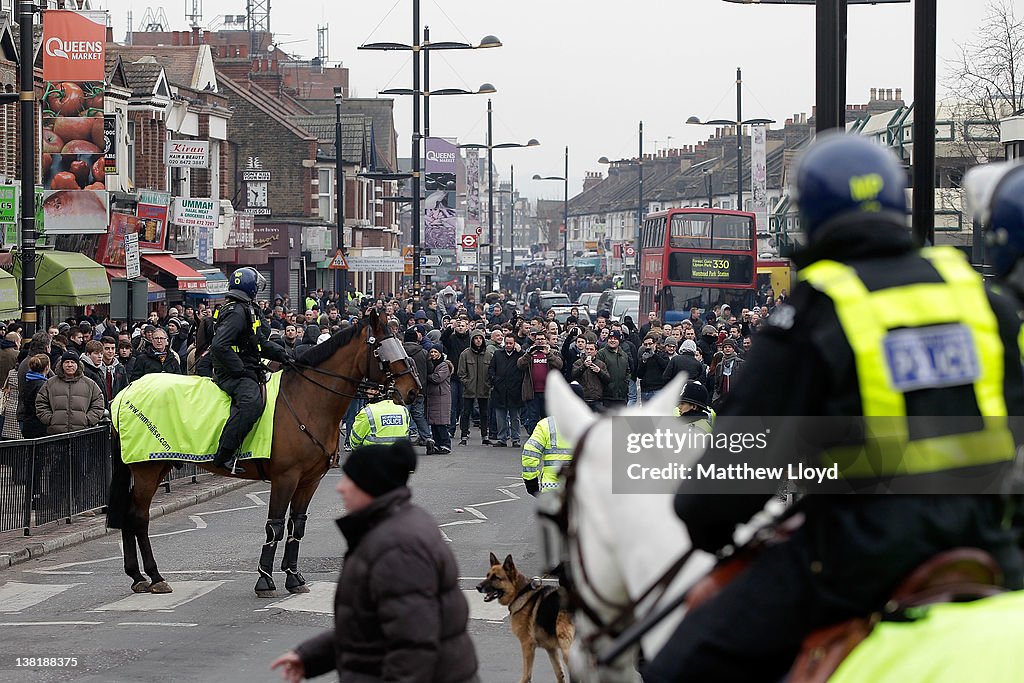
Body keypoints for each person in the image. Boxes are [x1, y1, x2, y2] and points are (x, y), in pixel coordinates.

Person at [646, 133, 1024, 683]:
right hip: (990, 546)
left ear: (809, 215)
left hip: (859, 562)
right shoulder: (977, 296)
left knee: (679, 667)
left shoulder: (817, 310)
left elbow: (730, 475)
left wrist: (707, 523)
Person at [271, 441, 479, 683]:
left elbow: (412, 647)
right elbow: (369, 628)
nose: (340, 488)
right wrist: (311, 657)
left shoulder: (398, 549)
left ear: (369, 486)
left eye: (348, 480)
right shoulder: (393, 528)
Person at [209, 267, 291, 472]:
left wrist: (283, 355)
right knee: (251, 403)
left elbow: (259, 342)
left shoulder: (247, 308)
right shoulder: (236, 311)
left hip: (246, 367)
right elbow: (220, 346)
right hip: (232, 372)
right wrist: (240, 370)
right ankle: (224, 455)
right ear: (250, 288)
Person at [521, 383, 583, 495]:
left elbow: (530, 453)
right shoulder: (592, 425)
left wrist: (531, 483)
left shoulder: (546, 425)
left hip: (552, 489)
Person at [35, 351, 105, 435]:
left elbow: (98, 403)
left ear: (78, 365)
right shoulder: (50, 383)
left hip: (82, 434)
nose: (70, 365)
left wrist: (88, 420)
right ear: (62, 364)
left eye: (73, 362)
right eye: (66, 362)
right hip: (55, 435)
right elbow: (40, 403)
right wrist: (51, 419)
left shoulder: (90, 384)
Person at [517, 329, 563, 435]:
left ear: (546, 341)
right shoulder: (530, 353)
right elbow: (520, 365)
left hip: (548, 392)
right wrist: (529, 354)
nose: (540, 341)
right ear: (534, 341)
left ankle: (547, 438)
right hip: (532, 391)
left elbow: (560, 365)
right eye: (538, 339)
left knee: (547, 418)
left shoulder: (553, 352)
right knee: (533, 418)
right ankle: (534, 439)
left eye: (542, 339)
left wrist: (549, 354)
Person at [488, 333, 525, 448]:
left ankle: (516, 439)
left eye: (511, 343)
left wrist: (520, 352)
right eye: (507, 343)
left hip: (515, 390)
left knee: (515, 417)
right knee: (500, 417)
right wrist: (494, 380)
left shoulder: (519, 355)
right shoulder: (498, 354)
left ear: (515, 344)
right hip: (500, 390)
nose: (508, 345)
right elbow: (491, 369)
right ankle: (502, 438)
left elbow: (524, 365)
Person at [456, 329, 493, 446]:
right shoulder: (465, 354)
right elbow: (461, 372)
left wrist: (488, 384)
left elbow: (491, 372)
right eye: (476, 338)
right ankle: (464, 435)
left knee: (484, 413)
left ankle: (485, 435)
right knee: (466, 412)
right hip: (469, 389)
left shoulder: (488, 354)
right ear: (472, 340)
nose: (478, 340)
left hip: (484, 388)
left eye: (480, 338)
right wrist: (466, 383)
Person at [424, 343, 453, 454]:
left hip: (441, 398)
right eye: (432, 352)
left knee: (441, 424)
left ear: (440, 353)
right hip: (433, 397)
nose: (433, 354)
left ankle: (445, 444)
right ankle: (437, 444)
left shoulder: (444, 365)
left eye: (435, 352)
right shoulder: (431, 364)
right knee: (434, 424)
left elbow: (438, 378)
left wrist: (427, 376)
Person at [595, 330, 630, 410]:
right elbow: (598, 372)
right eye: (610, 338)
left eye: (615, 338)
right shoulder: (601, 353)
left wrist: (625, 383)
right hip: (607, 396)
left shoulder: (624, 354)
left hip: (621, 395)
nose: (612, 340)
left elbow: (628, 371)